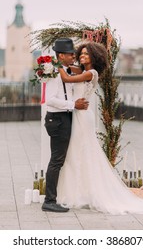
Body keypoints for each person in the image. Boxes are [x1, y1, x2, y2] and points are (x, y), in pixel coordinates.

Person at [56, 41, 143, 215]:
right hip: (78, 113)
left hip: (83, 117)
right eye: (81, 53)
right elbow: (70, 68)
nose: (82, 56)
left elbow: (66, 78)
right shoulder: (84, 71)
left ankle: (85, 192)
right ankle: (79, 191)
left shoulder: (91, 73)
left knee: (83, 150)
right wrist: (62, 61)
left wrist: (55, 65)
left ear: (94, 57)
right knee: (76, 152)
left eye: (86, 54)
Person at [42, 38, 89, 213]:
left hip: (63, 118)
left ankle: (53, 198)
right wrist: (73, 105)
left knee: (59, 160)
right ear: (61, 55)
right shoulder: (54, 73)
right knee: (57, 161)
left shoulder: (64, 70)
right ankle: (49, 201)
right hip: (58, 119)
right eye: (70, 54)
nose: (73, 56)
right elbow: (50, 100)